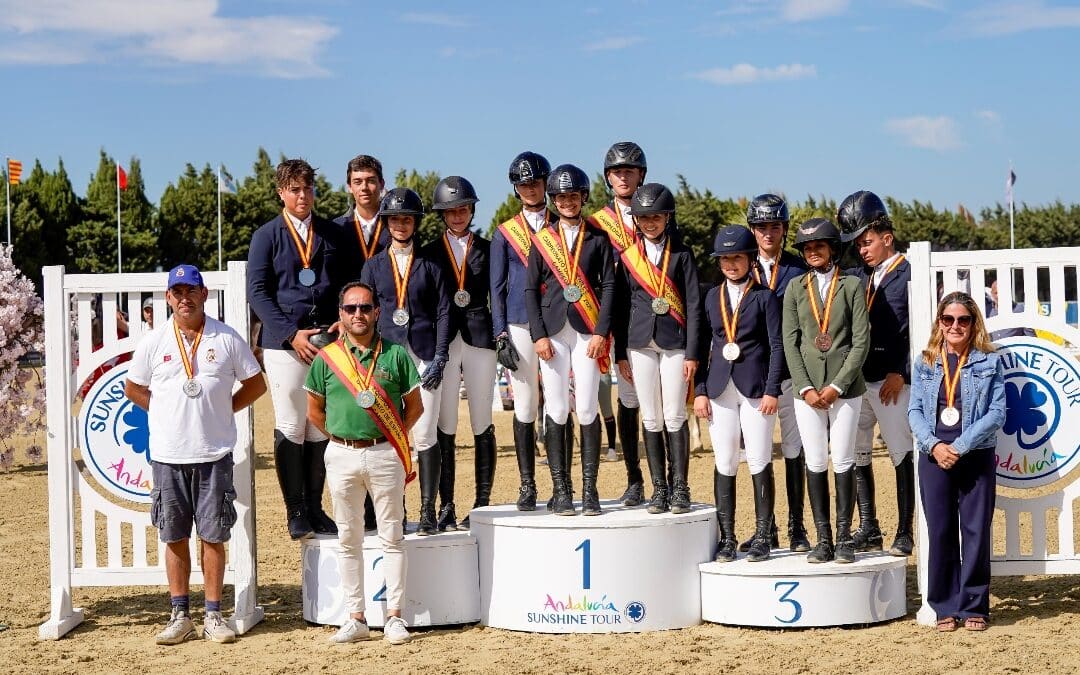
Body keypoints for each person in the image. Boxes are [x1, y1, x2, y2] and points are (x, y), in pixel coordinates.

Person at [125, 265, 267, 645]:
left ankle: (214, 615)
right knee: (173, 536)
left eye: (192, 290)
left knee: (212, 535)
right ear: (168, 297)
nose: (184, 297)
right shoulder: (154, 342)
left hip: (213, 452)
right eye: (177, 291)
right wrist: (161, 411)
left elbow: (256, 383)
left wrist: (224, 410)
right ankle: (180, 614)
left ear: (205, 295)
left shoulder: (226, 338)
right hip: (168, 455)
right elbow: (132, 387)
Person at [304, 281, 422, 645]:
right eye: (351, 308)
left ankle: (395, 617)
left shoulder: (397, 355)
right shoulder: (326, 359)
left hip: (386, 452)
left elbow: (414, 407)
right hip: (340, 454)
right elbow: (315, 413)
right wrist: (345, 436)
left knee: (392, 536)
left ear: (377, 312)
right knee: (348, 537)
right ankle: (355, 616)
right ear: (340, 314)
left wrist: (386, 436)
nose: (359, 314)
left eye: (365, 308)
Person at [248, 159, 350, 540]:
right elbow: (257, 292)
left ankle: (315, 506)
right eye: (294, 190)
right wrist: (292, 334)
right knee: (292, 423)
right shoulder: (266, 236)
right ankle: (295, 510)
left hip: (327, 342)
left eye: (307, 189)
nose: (302, 196)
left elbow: (344, 284)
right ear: (281, 193)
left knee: (319, 426)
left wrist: (340, 320)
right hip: (285, 345)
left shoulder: (331, 233)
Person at [908, 291, 1005, 633]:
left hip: (974, 454)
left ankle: (975, 605)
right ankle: (945, 605)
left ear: (973, 323)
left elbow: (997, 413)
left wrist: (960, 446)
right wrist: (934, 446)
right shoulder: (925, 361)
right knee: (942, 531)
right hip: (933, 457)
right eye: (948, 319)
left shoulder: (990, 361)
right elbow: (915, 410)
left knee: (976, 531)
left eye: (963, 319)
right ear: (939, 322)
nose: (955, 326)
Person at [526, 164, 616, 516]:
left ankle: (589, 489)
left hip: (587, 331)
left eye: (572, 196)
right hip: (552, 333)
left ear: (583, 198)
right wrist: (538, 335)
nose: (566, 202)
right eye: (560, 197)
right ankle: (561, 488)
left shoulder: (598, 239)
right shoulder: (542, 240)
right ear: (553, 200)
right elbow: (531, 289)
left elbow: (609, 286)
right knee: (558, 409)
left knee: (590, 406)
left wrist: (601, 332)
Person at [359, 188, 451, 536]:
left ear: (415, 223)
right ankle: (395, 508)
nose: (401, 224)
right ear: (386, 223)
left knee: (425, 434)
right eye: (395, 219)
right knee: (389, 434)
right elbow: (364, 314)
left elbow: (443, 311)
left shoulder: (430, 264)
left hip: (425, 353)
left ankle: (428, 509)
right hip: (387, 356)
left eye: (407, 219)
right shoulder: (373, 266)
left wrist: (441, 356)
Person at [782, 218, 870, 563]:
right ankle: (823, 538)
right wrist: (804, 387)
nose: (813, 252)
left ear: (833, 249)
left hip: (844, 388)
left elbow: (861, 341)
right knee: (816, 459)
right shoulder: (794, 288)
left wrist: (836, 386)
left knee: (844, 458)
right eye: (807, 248)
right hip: (806, 391)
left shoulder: (851, 285)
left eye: (819, 246)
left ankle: (845, 537)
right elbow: (791, 342)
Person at [695, 226, 783, 562]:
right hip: (719, 389)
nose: (731, 264)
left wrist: (773, 389)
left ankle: (763, 534)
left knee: (759, 458)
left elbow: (777, 346)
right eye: (725, 258)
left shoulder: (765, 297)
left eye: (737, 257)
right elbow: (703, 346)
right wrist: (700, 391)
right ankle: (728, 536)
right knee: (725, 461)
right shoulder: (710, 297)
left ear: (749, 259)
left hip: (756, 389)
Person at [613, 183, 701, 515]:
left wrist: (693, 353)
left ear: (667, 217)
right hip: (639, 343)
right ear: (636, 220)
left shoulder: (682, 254)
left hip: (675, 341)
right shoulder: (627, 257)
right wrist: (621, 351)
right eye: (644, 217)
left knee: (675, 414)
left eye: (656, 217)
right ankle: (658, 488)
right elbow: (622, 307)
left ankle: (680, 486)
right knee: (650, 417)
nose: (650, 223)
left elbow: (693, 305)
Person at [839, 191, 916, 557]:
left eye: (867, 242)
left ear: (887, 238)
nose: (862, 250)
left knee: (901, 451)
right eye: (858, 245)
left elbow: (918, 329)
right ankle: (869, 526)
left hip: (892, 381)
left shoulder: (909, 273)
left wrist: (901, 371)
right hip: (860, 379)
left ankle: (905, 530)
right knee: (858, 453)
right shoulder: (861, 277)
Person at [424, 176, 497, 530]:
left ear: (471, 210)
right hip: (445, 341)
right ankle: (446, 504)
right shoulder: (428, 253)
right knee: (446, 422)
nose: (457, 216)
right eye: (451, 211)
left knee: (483, 419)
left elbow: (496, 294)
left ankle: (482, 502)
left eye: (463, 209)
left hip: (480, 337)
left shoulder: (488, 247)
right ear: (442, 214)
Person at [739, 194, 810, 553]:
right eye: (762, 227)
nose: (768, 233)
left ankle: (798, 528)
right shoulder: (738, 267)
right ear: (753, 229)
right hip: (756, 373)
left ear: (784, 229)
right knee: (760, 452)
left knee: (795, 448)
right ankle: (764, 528)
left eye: (775, 227)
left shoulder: (799, 269)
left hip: (792, 374)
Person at [491, 151, 555, 510]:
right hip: (519, 322)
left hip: (558, 321)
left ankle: (562, 482)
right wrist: (500, 333)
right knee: (526, 404)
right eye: (523, 184)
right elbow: (496, 287)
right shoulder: (504, 234)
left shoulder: (563, 223)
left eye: (535, 182)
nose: (529, 189)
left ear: (545, 183)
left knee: (560, 402)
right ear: (516, 189)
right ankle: (528, 483)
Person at [587, 141, 647, 507]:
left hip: (655, 315)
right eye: (616, 172)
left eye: (629, 171)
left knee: (659, 404)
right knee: (627, 399)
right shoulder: (597, 223)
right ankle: (633, 478)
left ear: (641, 175)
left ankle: (668, 479)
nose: (623, 177)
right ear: (608, 178)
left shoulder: (658, 211)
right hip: (618, 318)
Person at [334, 154, 391, 272]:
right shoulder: (336, 228)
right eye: (357, 182)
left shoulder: (396, 226)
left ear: (382, 184)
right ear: (349, 187)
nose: (364, 187)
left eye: (370, 181)